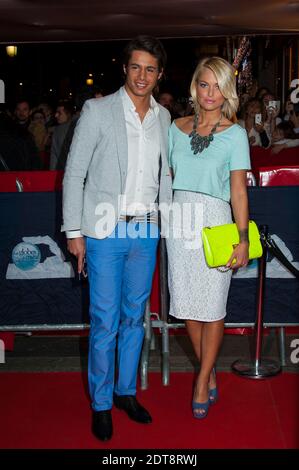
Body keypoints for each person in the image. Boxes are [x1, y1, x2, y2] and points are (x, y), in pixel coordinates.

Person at [62, 35, 172, 441]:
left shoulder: (163, 118)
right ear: (124, 69)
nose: (142, 75)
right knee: (105, 321)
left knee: (133, 319)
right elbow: (75, 173)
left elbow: (167, 177)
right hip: (104, 232)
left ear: (159, 74)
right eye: (136, 67)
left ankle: (126, 392)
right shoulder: (97, 110)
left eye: (150, 69)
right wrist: (74, 232)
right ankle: (101, 403)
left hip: (146, 231)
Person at [166, 56, 251, 419]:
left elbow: (238, 192)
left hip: (216, 223)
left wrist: (243, 237)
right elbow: (166, 177)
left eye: (218, 86)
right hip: (179, 222)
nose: (211, 93)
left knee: (213, 307)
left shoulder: (235, 134)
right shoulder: (174, 128)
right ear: (194, 88)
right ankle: (209, 369)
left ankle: (202, 380)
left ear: (227, 91)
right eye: (204, 84)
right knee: (187, 305)